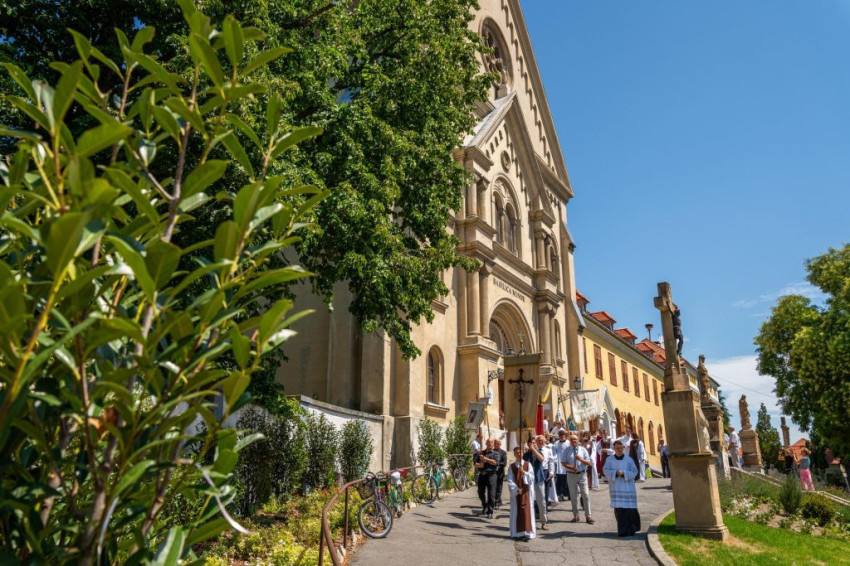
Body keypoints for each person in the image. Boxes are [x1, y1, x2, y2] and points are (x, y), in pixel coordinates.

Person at [603, 440, 641, 537]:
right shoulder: (609, 460)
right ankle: (622, 531)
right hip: (616, 488)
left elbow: (635, 472)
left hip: (628, 488)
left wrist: (624, 473)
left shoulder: (629, 460)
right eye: (617, 448)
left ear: (623, 448)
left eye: (621, 448)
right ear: (614, 449)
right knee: (619, 510)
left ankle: (631, 529)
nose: (619, 450)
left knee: (629, 510)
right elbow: (605, 470)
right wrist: (615, 473)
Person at [562, 433, 594, 524]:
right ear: (569, 441)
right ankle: (576, 515)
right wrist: (572, 467)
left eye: (575, 439)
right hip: (571, 475)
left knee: (585, 494)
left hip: (582, 474)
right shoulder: (566, 450)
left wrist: (580, 459)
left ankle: (588, 516)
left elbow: (588, 463)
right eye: (571, 439)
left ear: (578, 440)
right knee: (573, 495)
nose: (573, 441)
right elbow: (563, 462)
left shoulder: (583, 450)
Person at [507, 446, 536, 541]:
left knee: (526, 511)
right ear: (514, 454)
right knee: (517, 511)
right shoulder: (512, 467)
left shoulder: (528, 465)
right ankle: (517, 533)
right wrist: (516, 489)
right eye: (517, 453)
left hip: (526, 491)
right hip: (517, 493)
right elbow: (510, 480)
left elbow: (532, 478)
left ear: (523, 453)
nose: (519, 454)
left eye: (520, 452)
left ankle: (527, 533)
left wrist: (524, 473)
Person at [523, 436, 550, 530]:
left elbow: (541, 459)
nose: (532, 445)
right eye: (530, 443)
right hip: (529, 480)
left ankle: (543, 521)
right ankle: (529, 522)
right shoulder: (525, 455)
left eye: (534, 443)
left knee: (541, 500)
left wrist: (534, 450)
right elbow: (523, 465)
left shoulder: (539, 452)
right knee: (529, 501)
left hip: (538, 479)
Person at [475, 438, 499, 518]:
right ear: (486, 443)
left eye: (491, 442)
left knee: (491, 494)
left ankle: (490, 511)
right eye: (488, 442)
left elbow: (495, 463)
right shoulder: (481, 453)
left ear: (493, 444)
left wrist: (485, 459)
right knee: (480, 492)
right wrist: (479, 465)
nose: (490, 443)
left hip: (491, 475)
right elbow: (475, 463)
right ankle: (484, 505)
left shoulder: (496, 453)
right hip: (482, 475)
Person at [494, 438, 508, 509]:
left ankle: (497, 501)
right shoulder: (491, 452)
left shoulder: (503, 452)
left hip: (500, 473)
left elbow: (504, 463)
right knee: (493, 488)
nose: (496, 444)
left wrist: (497, 463)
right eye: (495, 443)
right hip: (492, 473)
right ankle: (496, 500)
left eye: (497, 443)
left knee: (499, 488)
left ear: (500, 444)